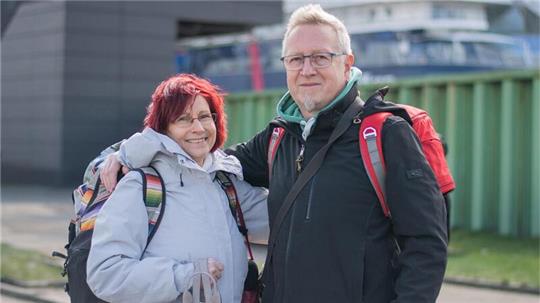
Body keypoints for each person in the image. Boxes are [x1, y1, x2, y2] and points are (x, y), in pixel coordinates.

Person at [101, 4, 448, 303]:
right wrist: (129, 150)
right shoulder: (280, 137)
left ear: (347, 63)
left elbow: (426, 245)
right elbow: (200, 157)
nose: (306, 69)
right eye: (296, 59)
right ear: (285, 65)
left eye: (320, 57)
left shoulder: (384, 135)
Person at [86, 74, 269, 303]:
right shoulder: (141, 187)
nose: (198, 128)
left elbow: (284, 221)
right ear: (163, 129)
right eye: (183, 119)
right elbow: (106, 273)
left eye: (204, 116)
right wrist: (185, 276)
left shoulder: (226, 184)